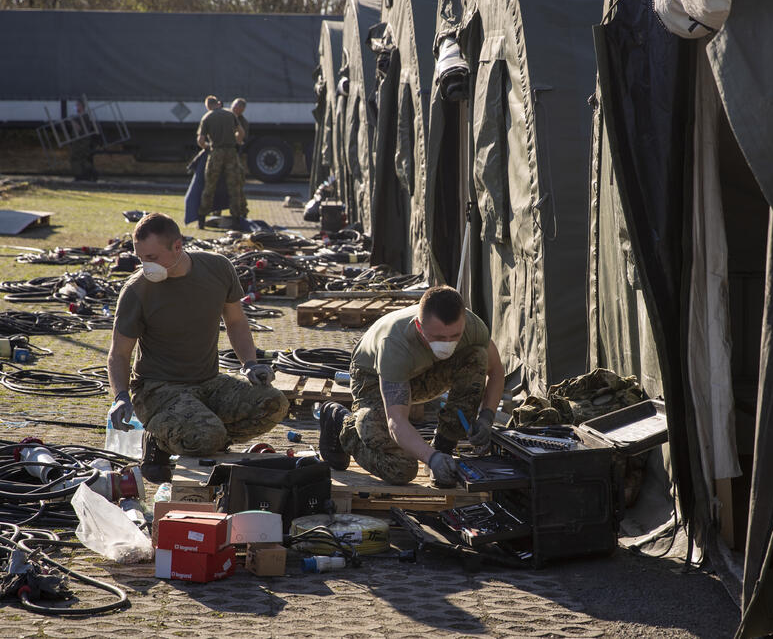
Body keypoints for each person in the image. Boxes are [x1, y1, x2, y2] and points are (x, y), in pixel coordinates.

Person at [106, 213, 289, 482]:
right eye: (140, 258)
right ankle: (161, 438)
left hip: (208, 381)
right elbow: (119, 353)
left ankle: (194, 433)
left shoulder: (218, 269)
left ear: (177, 246)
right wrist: (121, 396)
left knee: (274, 403)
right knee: (206, 436)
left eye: (152, 257)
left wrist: (250, 364)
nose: (146, 265)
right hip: (157, 389)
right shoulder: (137, 290)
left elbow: (236, 321)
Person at [320, 286, 505, 487]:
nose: (447, 344)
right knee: (400, 469)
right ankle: (343, 424)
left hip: (424, 370)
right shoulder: (394, 344)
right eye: (439, 337)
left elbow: (496, 371)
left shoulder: (472, 326)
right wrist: (431, 458)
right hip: (373, 377)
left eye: (455, 336)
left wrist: (487, 417)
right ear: (418, 326)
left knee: (478, 356)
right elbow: (396, 421)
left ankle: (444, 447)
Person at [196, 95, 245, 228]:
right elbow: (241, 132)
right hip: (231, 153)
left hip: (216, 153)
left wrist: (207, 147)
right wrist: (236, 142)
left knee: (209, 186)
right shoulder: (230, 114)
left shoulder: (207, 117)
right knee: (234, 186)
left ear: (208, 106)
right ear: (217, 103)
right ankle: (236, 219)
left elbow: (200, 140)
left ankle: (201, 219)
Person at [68, 100, 97, 182]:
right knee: (82, 158)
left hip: (81, 141)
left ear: (81, 106)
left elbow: (78, 128)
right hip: (81, 140)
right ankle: (88, 174)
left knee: (75, 158)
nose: (76, 107)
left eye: (77, 105)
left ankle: (80, 176)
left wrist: (72, 121)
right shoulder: (83, 116)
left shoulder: (83, 117)